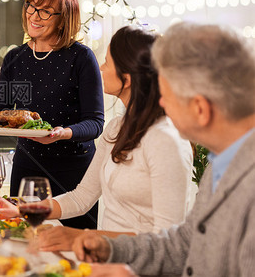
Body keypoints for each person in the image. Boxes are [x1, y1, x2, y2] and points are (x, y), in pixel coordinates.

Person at [0, 26, 195, 250]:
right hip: (107, 260)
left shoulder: (166, 141)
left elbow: (169, 242)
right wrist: (21, 210)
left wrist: (80, 238)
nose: (101, 68)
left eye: (107, 62)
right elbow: (82, 197)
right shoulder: (116, 129)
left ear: (128, 77)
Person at [71, 22, 255, 277]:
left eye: (167, 95)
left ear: (200, 109)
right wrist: (109, 247)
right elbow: (182, 244)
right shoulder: (220, 164)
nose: (160, 101)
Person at [0, 0, 104, 228]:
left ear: (63, 18)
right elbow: (0, 112)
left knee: (73, 254)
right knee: (21, 242)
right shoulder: (14, 57)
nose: (34, 16)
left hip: (74, 171)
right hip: (28, 169)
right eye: (31, 7)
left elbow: (95, 123)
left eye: (45, 11)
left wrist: (63, 133)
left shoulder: (82, 58)